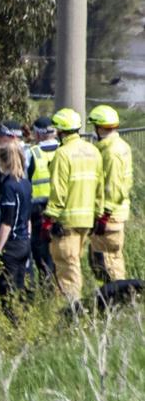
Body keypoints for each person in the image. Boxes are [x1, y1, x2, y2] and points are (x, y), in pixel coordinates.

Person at [42, 108, 104, 308]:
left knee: (67, 268)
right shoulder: (93, 151)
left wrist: (49, 218)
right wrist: (98, 213)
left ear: (60, 132)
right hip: (87, 221)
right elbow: (100, 186)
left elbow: (58, 191)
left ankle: (73, 312)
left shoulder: (62, 154)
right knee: (74, 262)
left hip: (66, 222)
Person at [87, 105, 133, 283]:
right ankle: (118, 301)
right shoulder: (121, 146)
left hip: (110, 215)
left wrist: (104, 215)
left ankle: (119, 301)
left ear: (99, 128)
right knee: (112, 260)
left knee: (108, 264)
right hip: (117, 212)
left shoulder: (110, 152)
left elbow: (112, 187)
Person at [0, 144, 32, 321]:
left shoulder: (8, 186)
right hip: (24, 242)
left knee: (7, 290)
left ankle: (13, 324)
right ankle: (24, 322)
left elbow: (7, 221)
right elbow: (27, 218)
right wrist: (27, 239)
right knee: (21, 286)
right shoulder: (25, 183)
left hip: (12, 245)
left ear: (2, 160)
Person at [27, 116, 59, 283]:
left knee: (41, 253)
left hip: (39, 211)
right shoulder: (63, 150)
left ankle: (47, 287)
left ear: (38, 134)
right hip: (62, 209)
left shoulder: (32, 153)